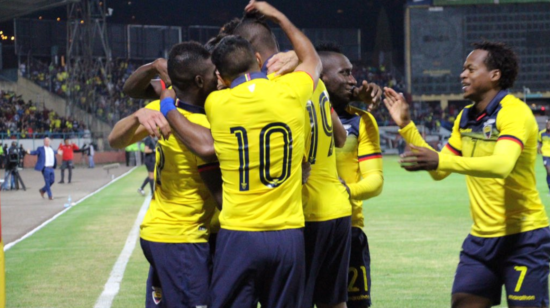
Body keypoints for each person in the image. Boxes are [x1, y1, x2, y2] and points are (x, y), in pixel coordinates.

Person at [384, 41, 550, 308]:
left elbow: (501, 165)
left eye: (471, 69)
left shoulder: (514, 112)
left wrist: (441, 160)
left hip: (523, 239)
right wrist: (406, 125)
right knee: (463, 303)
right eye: (463, 70)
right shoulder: (465, 118)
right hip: (481, 241)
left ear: (494, 75)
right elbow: (440, 170)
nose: (463, 75)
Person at [193, 1, 320, 306]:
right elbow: (313, 60)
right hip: (287, 234)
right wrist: (277, 16)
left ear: (220, 78)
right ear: (261, 58)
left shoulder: (217, 105)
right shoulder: (290, 91)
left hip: (238, 234)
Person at [108, 41, 221, 308]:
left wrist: (140, 115)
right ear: (199, 81)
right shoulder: (200, 126)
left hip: (161, 233)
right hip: (183, 238)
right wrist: (139, 114)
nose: (218, 78)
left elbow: (115, 139)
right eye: (212, 74)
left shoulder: (165, 110)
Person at [313, 43, 384, 308]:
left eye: (352, 72)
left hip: (349, 229)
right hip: (303, 227)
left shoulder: (361, 121)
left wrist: (343, 191)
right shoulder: (295, 114)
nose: (353, 79)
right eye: (344, 73)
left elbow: (375, 182)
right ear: (321, 78)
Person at [538, 120, 550, 195]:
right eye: (547, 124)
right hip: (545, 154)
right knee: (549, 171)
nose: (548, 125)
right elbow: (540, 142)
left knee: (549, 173)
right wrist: (538, 149)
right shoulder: (541, 133)